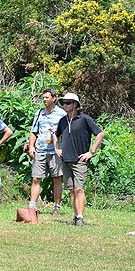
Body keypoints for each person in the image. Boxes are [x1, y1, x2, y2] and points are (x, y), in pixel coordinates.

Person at [53, 92, 104, 227]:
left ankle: (80, 218)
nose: (65, 105)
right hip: (66, 160)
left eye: (68, 103)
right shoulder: (63, 120)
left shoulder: (84, 119)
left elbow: (100, 134)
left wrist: (91, 152)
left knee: (79, 189)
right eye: (63, 103)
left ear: (75, 105)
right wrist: (57, 148)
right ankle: (76, 217)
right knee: (71, 190)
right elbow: (56, 135)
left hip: (80, 160)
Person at [27, 89, 67, 214]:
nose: (44, 100)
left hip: (55, 151)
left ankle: (56, 207)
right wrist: (31, 147)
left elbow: (67, 130)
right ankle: (32, 206)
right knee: (36, 178)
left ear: (54, 98)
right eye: (43, 97)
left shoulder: (61, 113)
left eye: (47, 97)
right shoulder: (39, 113)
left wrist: (57, 130)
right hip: (41, 150)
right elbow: (33, 131)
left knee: (56, 179)